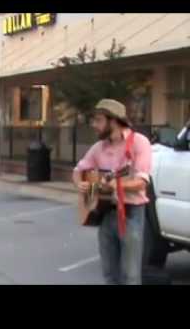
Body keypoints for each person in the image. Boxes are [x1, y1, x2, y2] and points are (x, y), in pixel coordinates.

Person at [72, 99, 152, 285]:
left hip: (131, 213)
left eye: (98, 120)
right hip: (105, 213)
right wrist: (80, 184)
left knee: (130, 276)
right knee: (110, 275)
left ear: (114, 121)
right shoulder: (98, 147)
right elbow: (78, 170)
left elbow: (140, 182)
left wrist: (115, 185)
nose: (94, 125)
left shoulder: (139, 143)